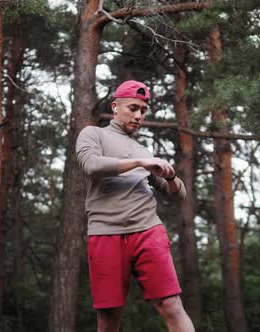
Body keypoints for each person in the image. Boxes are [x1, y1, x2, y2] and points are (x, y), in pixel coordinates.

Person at [76, 80, 195, 332]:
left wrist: (171, 176)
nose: (139, 115)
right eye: (133, 108)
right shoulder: (94, 134)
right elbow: (92, 166)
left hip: (148, 231)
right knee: (108, 319)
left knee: (172, 305)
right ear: (115, 107)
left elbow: (179, 193)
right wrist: (140, 162)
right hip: (105, 233)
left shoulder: (144, 151)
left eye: (143, 110)